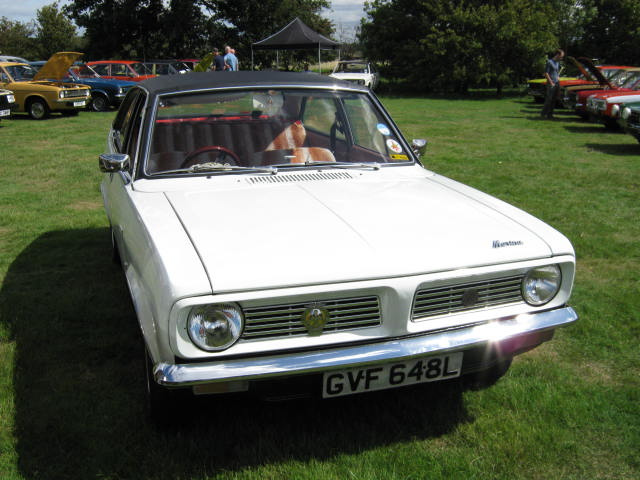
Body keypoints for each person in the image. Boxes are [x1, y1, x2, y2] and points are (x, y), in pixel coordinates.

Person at [541, 49, 564, 119]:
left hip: (556, 83)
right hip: (551, 83)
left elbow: (556, 73)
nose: (561, 58)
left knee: (554, 100)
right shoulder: (549, 62)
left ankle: (550, 114)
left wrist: (558, 80)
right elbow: (546, 73)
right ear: (557, 55)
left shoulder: (557, 63)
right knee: (549, 99)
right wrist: (551, 82)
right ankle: (543, 114)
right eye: (561, 56)